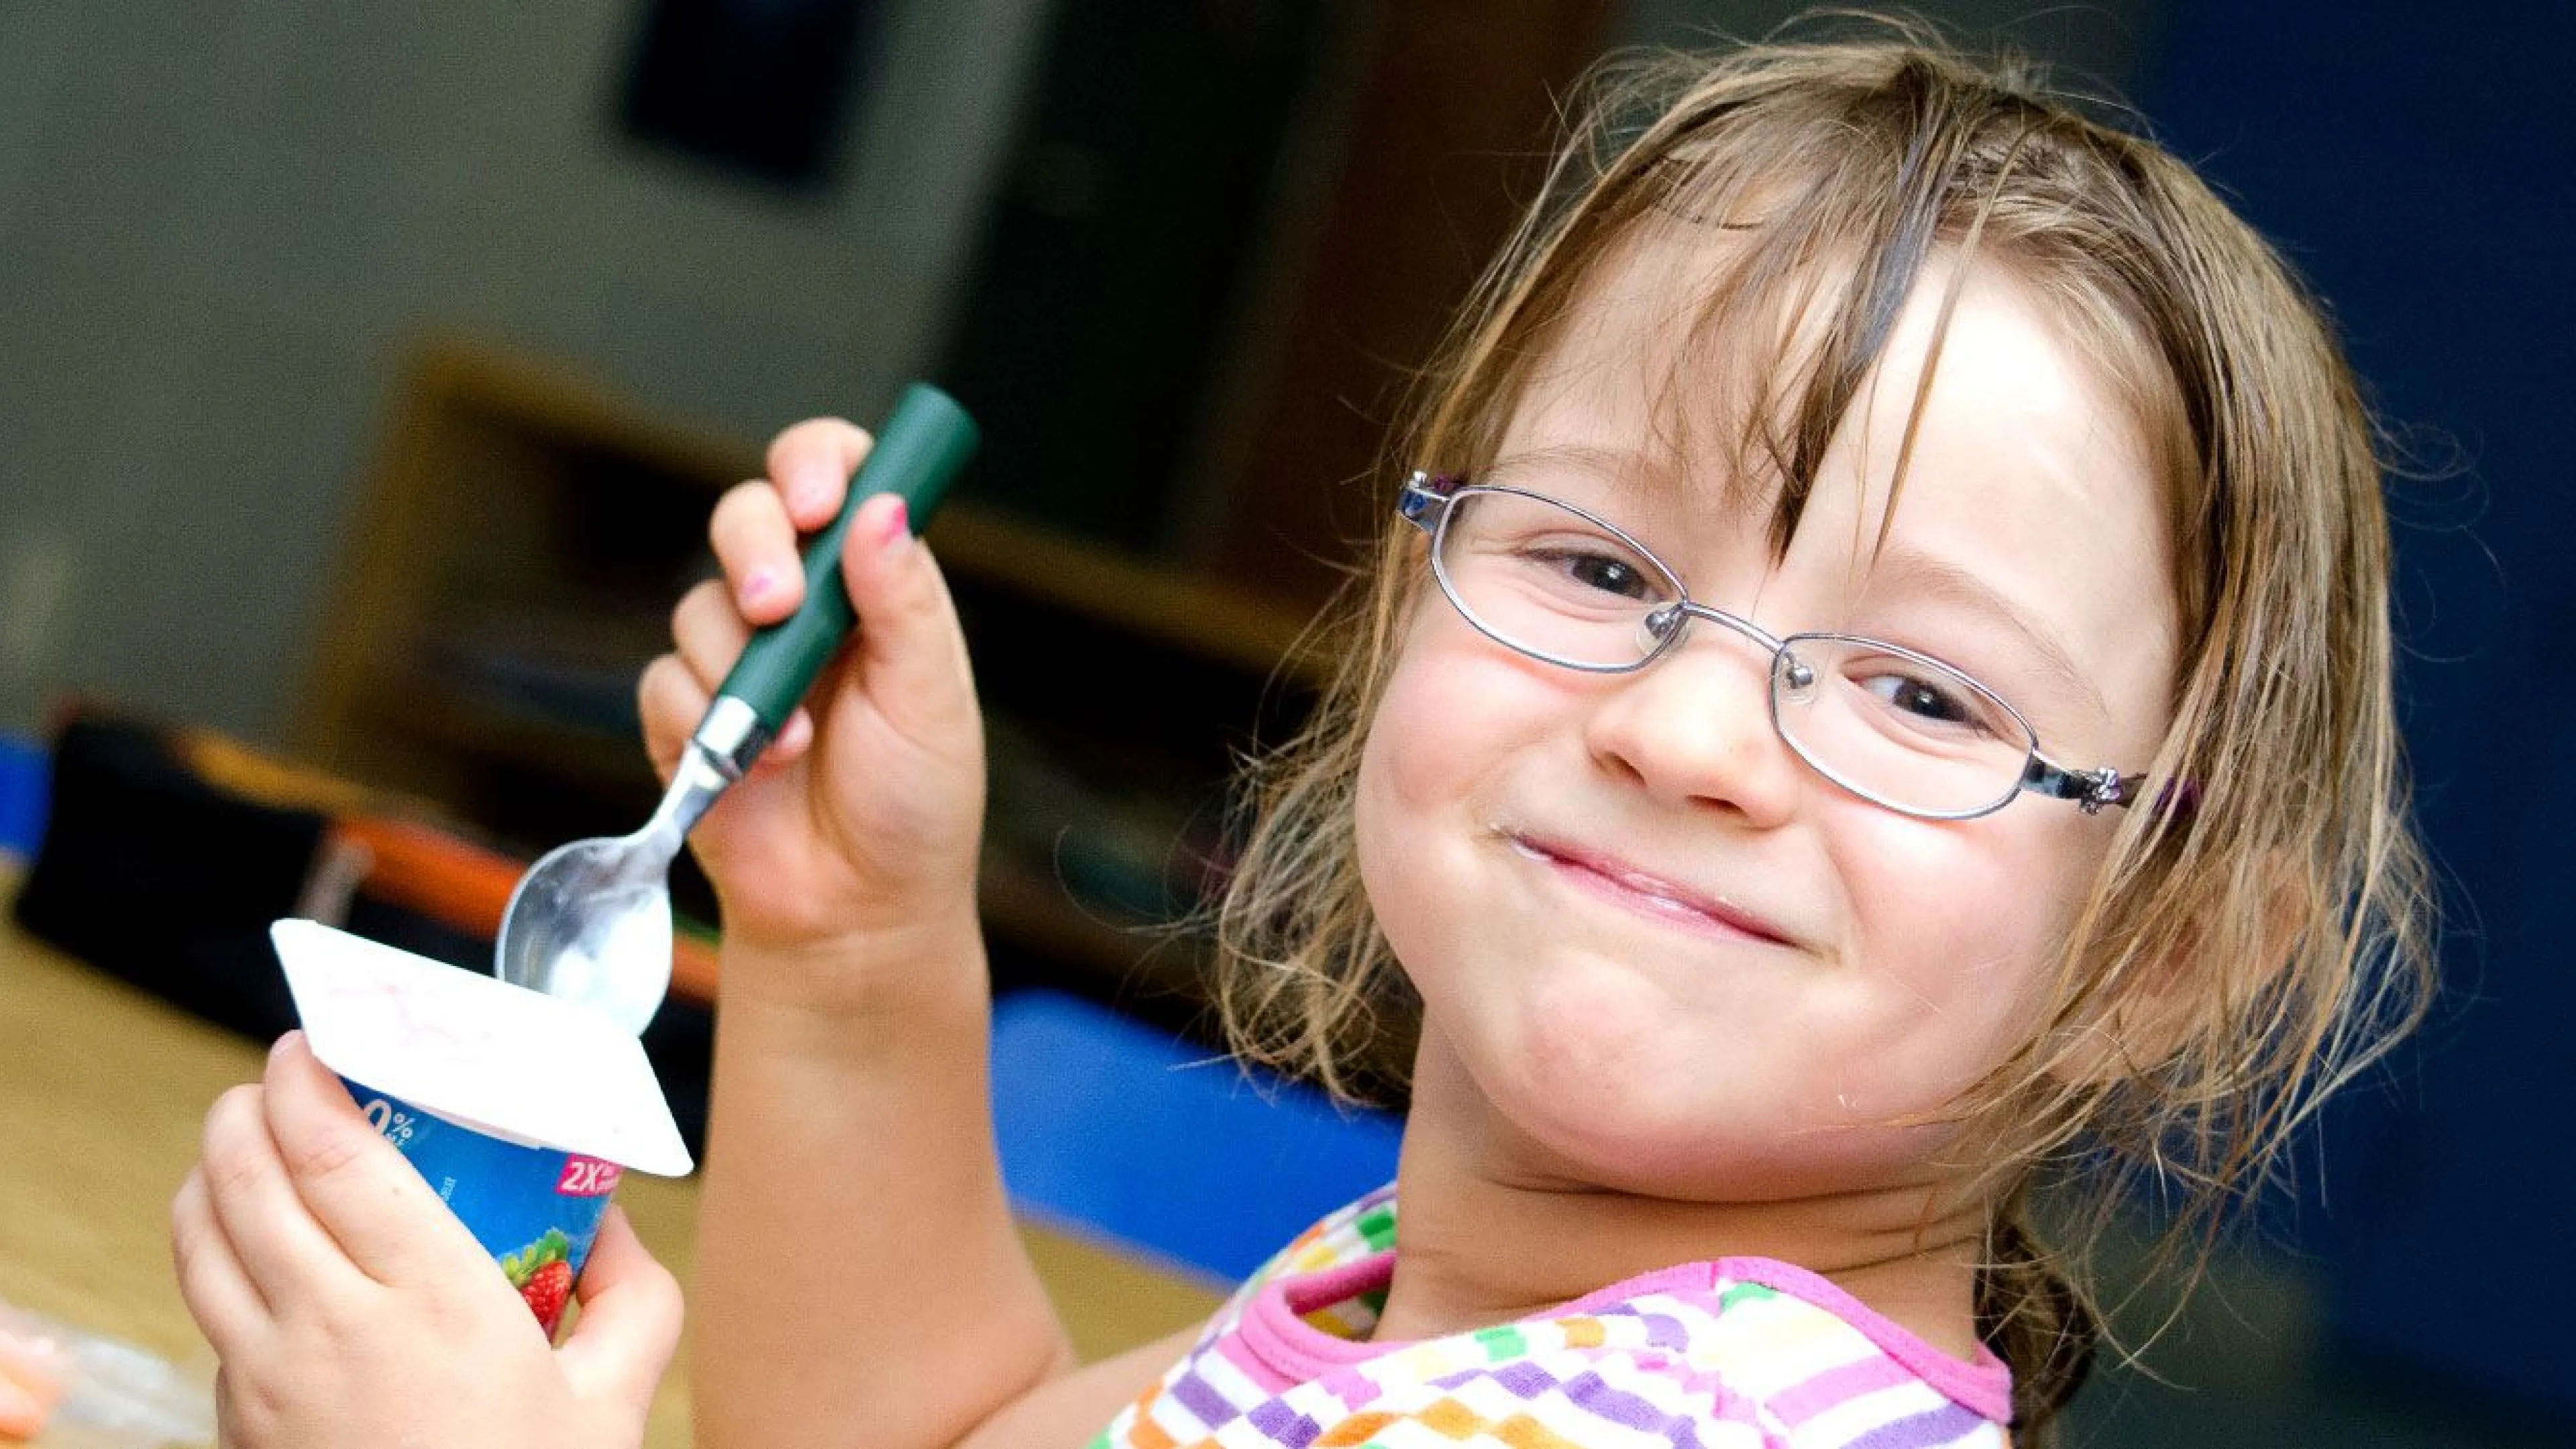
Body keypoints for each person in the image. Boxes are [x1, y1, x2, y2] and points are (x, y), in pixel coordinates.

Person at [172, 27, 2434, 1448]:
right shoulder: (1433, 1317)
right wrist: (859, 940)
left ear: (2172, 950)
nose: (1682, 729)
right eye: (1598, 567)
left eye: (1928, 694)